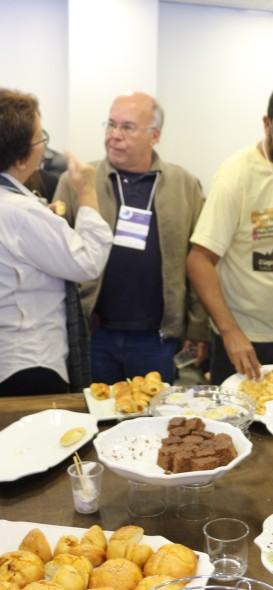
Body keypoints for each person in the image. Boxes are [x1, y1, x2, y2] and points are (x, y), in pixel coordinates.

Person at [54, 91, 208, 385]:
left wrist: (198, 328)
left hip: (157, 338)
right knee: (97, 420)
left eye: (127, 127)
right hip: (94, 334)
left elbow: (198, 260)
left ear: (155, 135)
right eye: (110, 125)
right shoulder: (77, 181)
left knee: (151, 422)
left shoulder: (184, 184)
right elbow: (57, 255)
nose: (114, 135)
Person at [187, 79, 273, 384]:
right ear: (267, 124)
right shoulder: (236, 176)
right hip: (244, 336)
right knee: (239, 428)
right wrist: (230, 332)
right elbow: (199, 261)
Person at [0, 88, 113, 397]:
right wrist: (87, 192)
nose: (44, 146)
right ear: (22, 156)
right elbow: (88, 261)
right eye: (40, 138)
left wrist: (44, 225)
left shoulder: (19, 211)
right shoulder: (20, 213)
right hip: (27, 363)